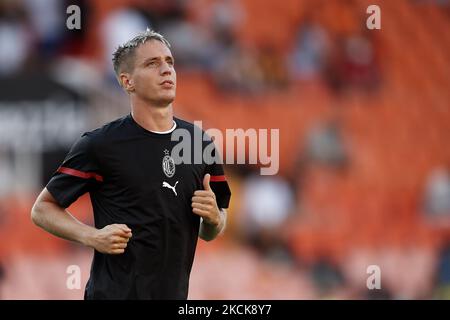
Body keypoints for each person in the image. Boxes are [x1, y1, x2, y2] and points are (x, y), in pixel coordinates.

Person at [31, 29, 231, 299]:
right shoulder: (100, 144)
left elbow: (212, 229)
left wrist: (213, 218)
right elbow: (42, 209)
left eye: (169, 62)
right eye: (152, 64)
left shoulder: (198, 143)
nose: (166, 70)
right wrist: (92, 236)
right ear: (127, 82)